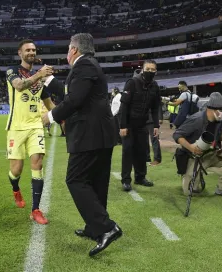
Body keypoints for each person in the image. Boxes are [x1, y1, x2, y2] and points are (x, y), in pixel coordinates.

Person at [42, 33, 122, 257]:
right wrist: (49, 81)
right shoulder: (89, 66)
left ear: (74, 49)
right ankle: (95, 228)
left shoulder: (84, 65)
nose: (67, 53)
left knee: (75, 179)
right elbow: (75, 94)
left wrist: (50, 117)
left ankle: (107, 227)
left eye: (68, 48)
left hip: (90, 135)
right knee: (96, 182)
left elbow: (74, 100)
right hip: (100, 135)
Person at [5, 39, 57, 225]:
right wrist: (39, 75)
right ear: (20, 53)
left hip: (36, 126)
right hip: (16, 128)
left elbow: (50, 105)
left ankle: (35, 209)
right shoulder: (12, 71)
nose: (31, 52)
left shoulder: (40, 79)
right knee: (16, 170)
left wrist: (66, 116)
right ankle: (16, 189)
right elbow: (19, 86)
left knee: (37, 163)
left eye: (33, 50)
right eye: (27, 50)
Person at [173, 92, 222, 199]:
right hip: (195, 156)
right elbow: (177, 135)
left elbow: (219, 134)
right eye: (221, 110)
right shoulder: (197, 119)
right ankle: (188, 176)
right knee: (190, 192)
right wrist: (191, 148)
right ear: (211, 109)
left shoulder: (218, 121)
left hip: (212, 154)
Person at [119, 61, 161, 192]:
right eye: (147, 69)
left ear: (156, 71)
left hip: (143, 124)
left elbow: (155, 108)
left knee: (142, 152)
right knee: (128, 152)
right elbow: (124, 106)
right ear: (142, 69)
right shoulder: (132, 82)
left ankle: (140, 177)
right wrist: (123, 126)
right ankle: (126, 180)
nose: (150, 71)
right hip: (129, 124)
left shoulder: (154, 86)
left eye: (152, 69)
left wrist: (156, 125)